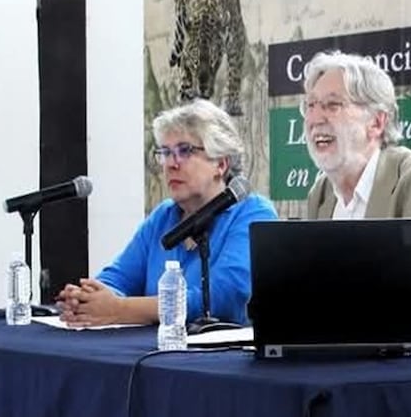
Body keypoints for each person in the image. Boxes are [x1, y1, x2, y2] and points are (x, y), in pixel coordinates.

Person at [57, 99, 277, 327]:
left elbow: (224, 297)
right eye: (165, 152)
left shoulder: (253, 213)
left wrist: (118, 309)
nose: (171, 164)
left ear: (220, 164)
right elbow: (118, 278)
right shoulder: (164, 216)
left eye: (184, 151)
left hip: (223, 358)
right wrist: (87, 299)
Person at [301, 51, 411, 339]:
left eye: (332, 105)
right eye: (311, 106)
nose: (315, 118)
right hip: (338, 361)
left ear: (376, 123)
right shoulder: (321, 194)